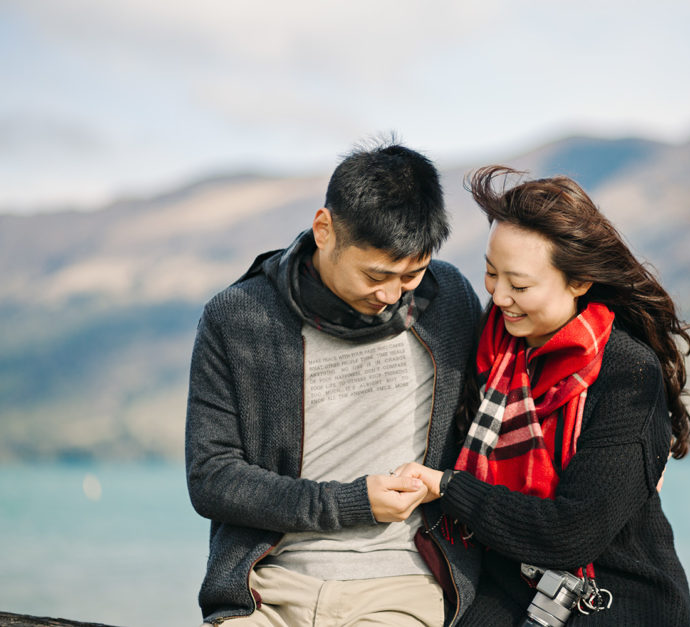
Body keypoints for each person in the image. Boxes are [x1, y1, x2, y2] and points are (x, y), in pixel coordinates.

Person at [185, 141, 482, 626]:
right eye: (375, 274)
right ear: (324, 230)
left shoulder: (449, 300)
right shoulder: (239, 317)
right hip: (266, 587)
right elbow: (212, 478)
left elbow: (524, 383)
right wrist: (353, 503)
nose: (389, 296)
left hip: (404, 587)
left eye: (411, 275)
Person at [395, 166, 690, 625]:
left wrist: (448, 487)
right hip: (511, 585)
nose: (498, 297)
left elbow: (571, 535)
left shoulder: (626, 372)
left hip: (612, 597)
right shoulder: (490, 346)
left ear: (579, 282)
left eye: (520, 285)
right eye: (491, 274)